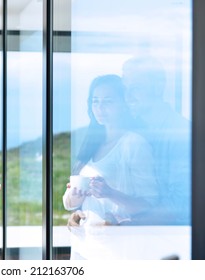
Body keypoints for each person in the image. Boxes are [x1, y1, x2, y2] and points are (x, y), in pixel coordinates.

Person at [63, 74, 159, 259]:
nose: (100, 108)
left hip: (116, 250)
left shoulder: (134, 144)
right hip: (84, 247)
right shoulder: (92, 144)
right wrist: (77, 209)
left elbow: (149, 204)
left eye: (108, 101)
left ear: (124, 105)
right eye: (95, 101)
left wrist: (110, 193)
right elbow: (71, 203)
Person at [122, 55, 191, 225]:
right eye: (125, 89)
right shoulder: (132, 134)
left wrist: (126, 226)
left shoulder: (180, 134)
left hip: (173, 241)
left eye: (136, 88)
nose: (128, 97)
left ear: (158, 88)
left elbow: (180, 206)